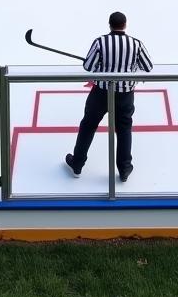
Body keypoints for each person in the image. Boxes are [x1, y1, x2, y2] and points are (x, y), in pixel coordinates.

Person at [65, 11, 153, 183]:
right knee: (124, 129)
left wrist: (100, 65)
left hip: (101, 93)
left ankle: (77, 164)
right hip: (125, 94)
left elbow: (89, 66)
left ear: (109, 24)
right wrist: (131, 68)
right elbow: (148, 66)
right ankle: (125, 169)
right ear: (125, 25)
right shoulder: (136, 44)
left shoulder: (100, 42)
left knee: (88, 125)